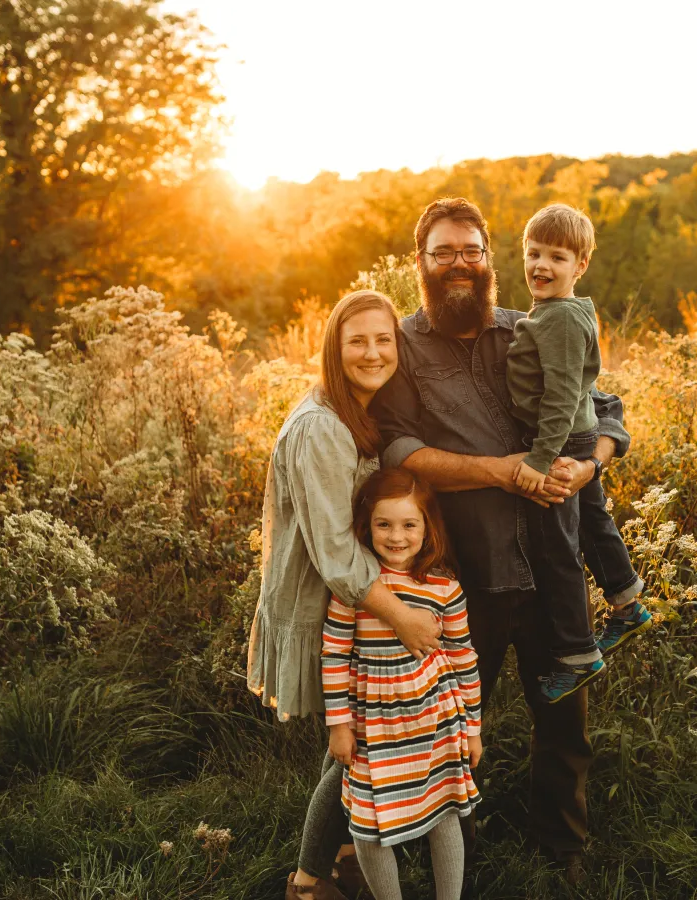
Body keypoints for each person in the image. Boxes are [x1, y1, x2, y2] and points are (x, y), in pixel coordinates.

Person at [370, 197, 632, 886]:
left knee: (565, 724)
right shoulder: (401, 347)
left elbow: (604, 406)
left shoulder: (535, 324)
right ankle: (456, 853)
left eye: (472, 250)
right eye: (443, 251)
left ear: (490, 259)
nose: (460, 263)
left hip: (551, 566)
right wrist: (499, 473)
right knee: (451, 725)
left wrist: (589, 463)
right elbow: (398, 449)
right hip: (466, 576)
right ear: (420, 263)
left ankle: (563, 849)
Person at [246, 290, 443, 900]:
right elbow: (335, 554)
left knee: (357, 740)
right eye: (357, 340)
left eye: (384, 339)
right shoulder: (322, 428)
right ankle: (308, 880)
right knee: (353, 747)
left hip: (356, 605)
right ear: (334, 347)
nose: (373, 351)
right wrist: (404, 618)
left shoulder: (360, 412)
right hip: (329, 605)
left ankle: (346, 856)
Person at [507, 204, 652, 703]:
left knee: (556, 550)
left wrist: (541, 459)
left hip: (562, 441)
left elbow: (565, 394)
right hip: (579, 436)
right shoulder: (556, 312)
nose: (541, 265)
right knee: (593, 522)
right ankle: (628, 602)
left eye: (557, 257)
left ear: (581, 265)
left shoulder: (561, 319)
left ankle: (577, 654)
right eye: (533, 253)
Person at [322, 467, 482, 900]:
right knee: (368, 825)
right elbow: (335, 653)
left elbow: (463, 658)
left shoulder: (444, 588)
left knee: (444, 811)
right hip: (373, 723)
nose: (397, 536)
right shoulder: (355, 588)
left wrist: (474, 728)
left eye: (409, 524)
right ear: (366, 525)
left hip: (435, 718)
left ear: (427, 528)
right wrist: (339, 724)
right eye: (384, 524)